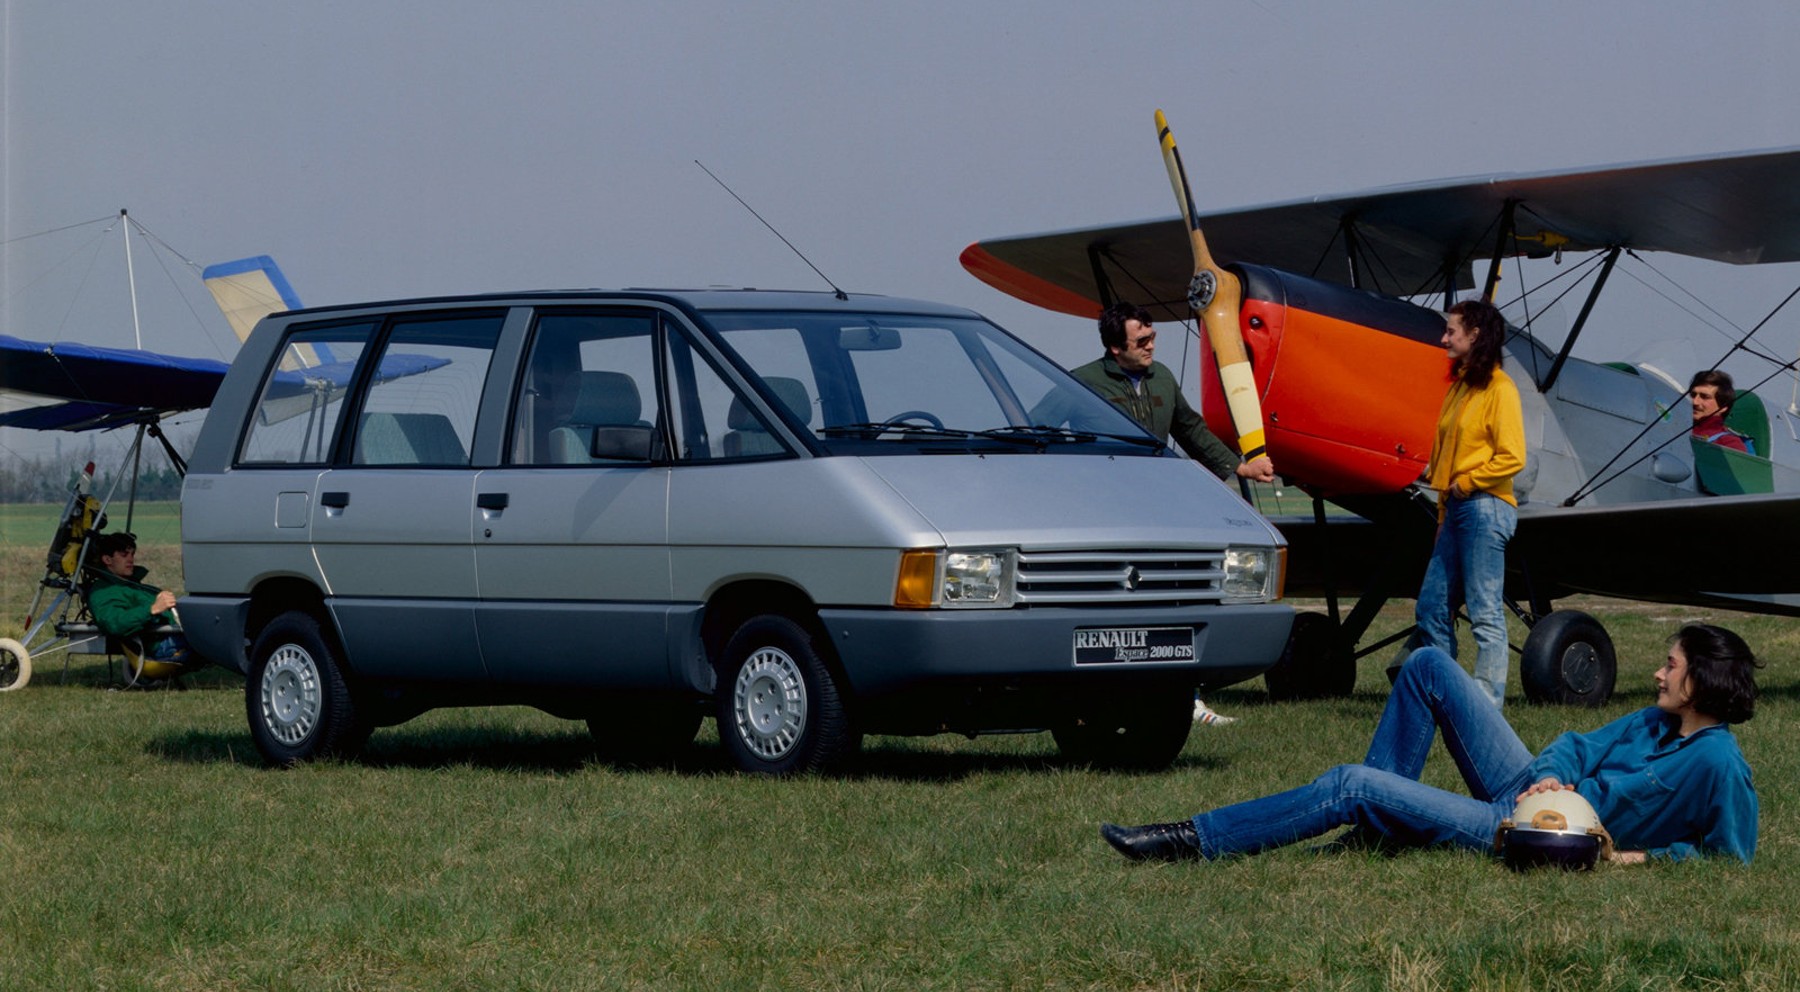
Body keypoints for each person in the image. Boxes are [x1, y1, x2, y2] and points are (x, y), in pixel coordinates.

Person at [1101, 624, 1760, 865]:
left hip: (1533, 832)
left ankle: (1192, 839)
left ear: (1700, 678)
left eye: (1670, 665)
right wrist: (1553, 774)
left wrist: (1640, 859)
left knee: (1350, 784)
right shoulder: (1654, 719)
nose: (1658, 672)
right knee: (1427, 666)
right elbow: (1576, 744)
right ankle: (1372, 830)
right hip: (1535, 789)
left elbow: (1731, 858)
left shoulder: (1718, 763)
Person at [1045, 301, 1277, 724]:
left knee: (1174, 601)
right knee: (1110, 609)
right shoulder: (1081, 382)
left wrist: (1239, 465)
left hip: (1159, 510)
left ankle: (1186, 700)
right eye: (1142, 340)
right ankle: (1091, 699)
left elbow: (1191, 429)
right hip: (1105, 515)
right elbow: (1037, 428)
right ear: (1116, 348)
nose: (1153, 345)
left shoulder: (1163, 378)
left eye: (1153, 336)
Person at [1403, 299, 1526, 707]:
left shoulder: (1501, 389)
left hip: (1486, 504)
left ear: (1474, 335)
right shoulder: (1460, 387)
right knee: (1431, 607)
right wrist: (1443, 511)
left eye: (1451, 330)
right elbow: (1446, 459)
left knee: (1485, 609)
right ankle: (1448, 696)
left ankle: (1486, 705)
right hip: (1456, 509)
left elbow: (1513, 456)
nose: (1444, 338)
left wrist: (1466, 484)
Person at [88, 531, 193, 671]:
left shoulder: (132, 585)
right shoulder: (102, 592)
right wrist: (152, 609)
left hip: (175, 634)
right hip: (162, 646)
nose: (131, 559)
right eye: (124, 555)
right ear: (107, 560)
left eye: (132, 554)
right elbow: (115, 623)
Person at [1689, 369, 1754, 454]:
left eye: (1705, 397)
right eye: (1693, 395)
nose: (1695, 402)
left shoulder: (1729, 444)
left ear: (1723, 407)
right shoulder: (1675, 426)